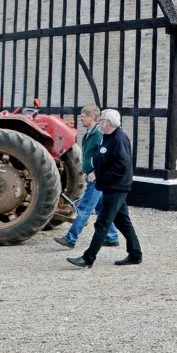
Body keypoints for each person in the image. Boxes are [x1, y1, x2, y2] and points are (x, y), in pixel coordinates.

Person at [67, 109, 143, 268]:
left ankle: (88, 258)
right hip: (110, 185)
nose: (99, 122)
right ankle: (135, 254)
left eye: (101, 120)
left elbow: (122, 166)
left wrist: (101, 176)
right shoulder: (107, 137)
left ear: (108, 123)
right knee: (123, 222)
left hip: (116, 187)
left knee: (102, 222)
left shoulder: (119, 139)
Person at [54, 105, 120, 249]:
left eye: (83, 116)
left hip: (96, 178)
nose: (81, 119)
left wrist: (95, 171)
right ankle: (112, 237)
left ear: (91, 118)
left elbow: (105, 156)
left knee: (84, 208)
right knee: (102, 208)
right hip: (93, 177)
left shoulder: (98, 134)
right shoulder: (89, 134)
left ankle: (70, 238)